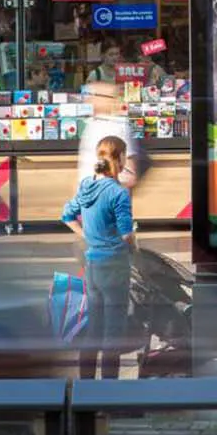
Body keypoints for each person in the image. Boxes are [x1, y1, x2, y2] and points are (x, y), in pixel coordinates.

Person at [62, 135, 137, 379]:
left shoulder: (86, 186)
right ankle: (108, 393)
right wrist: (134, 241)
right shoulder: (118, 193)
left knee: (94, 329)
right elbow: (126, 234)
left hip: (92, 264)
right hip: (114, 265)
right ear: (119, 157)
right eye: (125, 154)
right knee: (113, 334)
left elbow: (67, 215)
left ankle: (86, 388)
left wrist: (87, 235)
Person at [77, 81, 147, 187]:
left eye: (96, 95)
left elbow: (129, 169)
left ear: (109, 99)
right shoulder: (90, 125)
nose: (90, 99)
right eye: (90, 95)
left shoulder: (118, 127)